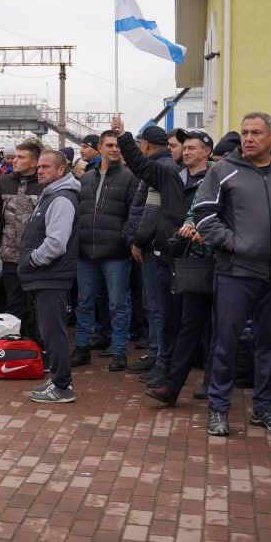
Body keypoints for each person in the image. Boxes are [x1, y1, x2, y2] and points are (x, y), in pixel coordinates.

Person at [193, 112, 271, 437]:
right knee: (226, 342)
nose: (249, 138)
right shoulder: (223, 170)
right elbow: (202, 214)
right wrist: (233, 243)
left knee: (270, 342)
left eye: (256, 132)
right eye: (244, 132)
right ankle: (218, 409)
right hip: (235, 272)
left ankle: (265, 408)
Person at [139, 129, 217, 406]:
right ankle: (172, 386)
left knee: (217, 328)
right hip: (190, 259)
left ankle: (213, 382)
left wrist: (210, 230)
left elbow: (229, 213)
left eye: (192, 147)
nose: (186, 151)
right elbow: (192, 212)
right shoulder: (173, 176)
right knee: (187, 325)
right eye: (184, 147)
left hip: (224, 261)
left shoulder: (219, 178)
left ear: (207, 152)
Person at [71, 131, 140, 372]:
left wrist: (125, 238)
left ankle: (119, 351)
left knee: (118, 304)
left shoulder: (130, 178)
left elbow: (133, 213)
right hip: (86, 251)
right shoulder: (85, 178)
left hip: (115, 252)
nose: (115, 149)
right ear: (99, 148)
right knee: (84, 302)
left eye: (118, 145)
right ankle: (82, 348)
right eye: (110, 145)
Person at [22, 151, 82, 403]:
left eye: (47, 166)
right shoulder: (51, 196)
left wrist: (34, 259)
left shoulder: (61, 199)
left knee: (54, 333)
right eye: (39, 166)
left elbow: (56, 243)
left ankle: (63, 387)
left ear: (61, 171)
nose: (40, 170)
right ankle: (58, 379)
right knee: (50, 332)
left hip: (50, 275)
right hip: (45, 276)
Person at [120, 124, 177, 375]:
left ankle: (157, 355)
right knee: (155, 303)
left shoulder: (160, 168)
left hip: (153, 245)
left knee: (155, 304)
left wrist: (138, 240)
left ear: (146, 145)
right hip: (156, 244)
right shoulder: (166, 166)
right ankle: (158, 353)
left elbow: (151, 211)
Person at [0, 140, 43, 339]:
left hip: (37, 256)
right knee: (14, 303)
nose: (14, 161)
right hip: (9, 254)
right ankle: (17, 347)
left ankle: (39, 347)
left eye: (21, 157)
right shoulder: (4, 182)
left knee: (36, 304)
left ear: (34, 162)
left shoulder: (45, 185)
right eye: (15, 157)